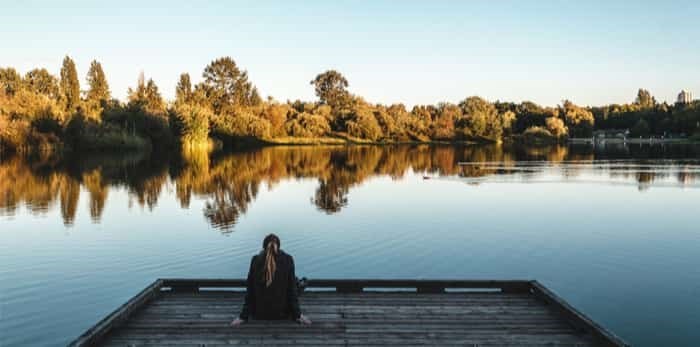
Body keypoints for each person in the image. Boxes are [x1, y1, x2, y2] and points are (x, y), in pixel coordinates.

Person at [230, 234, 312, 326]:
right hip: (282, 314)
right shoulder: (288, 259)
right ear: (279, 246)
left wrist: (242, 317)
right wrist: (298, 315)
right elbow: (291, 292)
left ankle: (299, 283)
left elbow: (250, 292)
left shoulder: (255, 260)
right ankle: (300, 283)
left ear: (264, 247)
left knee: (292, 283)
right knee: (297, 284)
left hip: (258, 314)